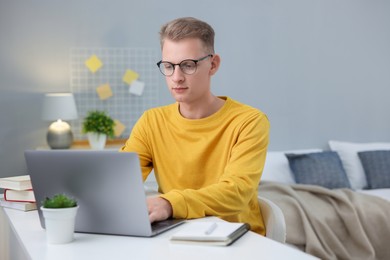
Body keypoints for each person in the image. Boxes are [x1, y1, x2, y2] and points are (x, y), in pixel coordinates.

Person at [121, 17, 270, 235]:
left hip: (237, 239)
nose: (176, 77)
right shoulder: (151, 121)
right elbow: (121, 180)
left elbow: (237, 193)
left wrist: (169, 204)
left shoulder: (249, 121)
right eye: (169, 66)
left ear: (213, 64)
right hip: (174, 236)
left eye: (188, 65)